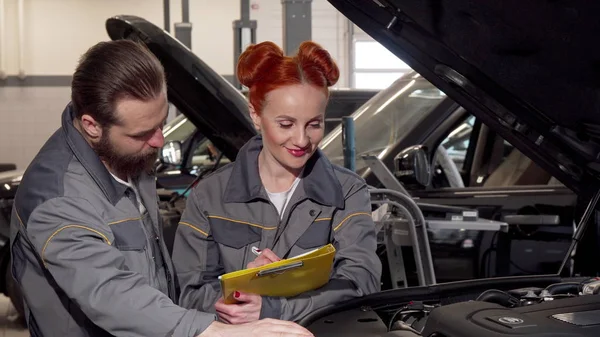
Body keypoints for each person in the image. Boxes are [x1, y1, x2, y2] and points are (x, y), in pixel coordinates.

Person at [9, 39, 313, 337]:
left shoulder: (126, 157)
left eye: (162, 124)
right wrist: (211, 331)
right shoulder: (56, 199)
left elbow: (152, 276)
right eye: (143, 133)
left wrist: (230, 290)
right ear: (92, 126)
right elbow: (111, 293)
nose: (159, 141)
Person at [172, 41, 382, 324]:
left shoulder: (348, 192)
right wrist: (240, 291)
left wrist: (275, 308)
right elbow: (188, 292)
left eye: (314, 124)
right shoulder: (209, 196)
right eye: (286, 124)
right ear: (256, 115)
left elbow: (361, 281)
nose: (301, 140)